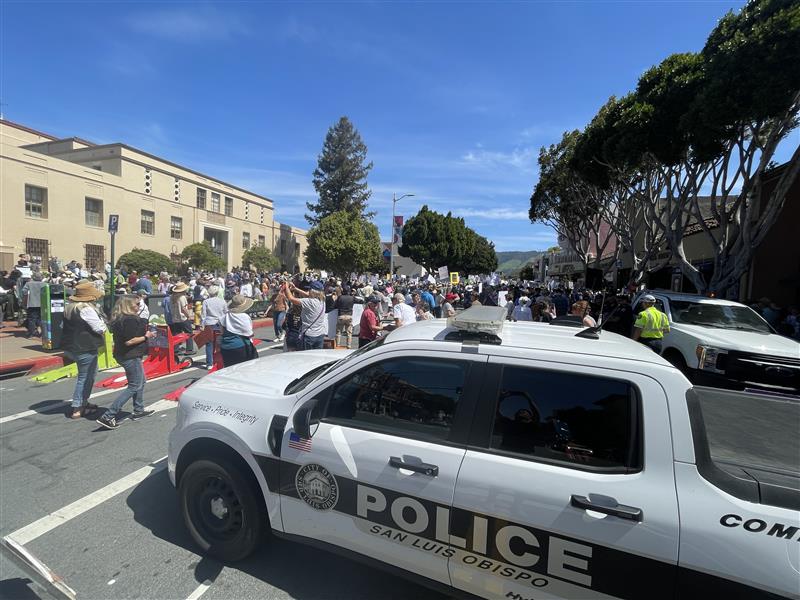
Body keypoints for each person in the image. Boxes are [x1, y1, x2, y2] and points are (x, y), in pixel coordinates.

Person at [96, 298, 156, 429]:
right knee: (134, 385)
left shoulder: (119, 318)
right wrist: (147, 336)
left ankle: (139, 410)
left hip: (123, 354)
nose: (139, 306)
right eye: (137, 304)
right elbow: (130, 341)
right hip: (130, 355)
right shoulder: (129, 319)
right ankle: (108, 415)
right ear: (129, 306)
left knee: (141, 381)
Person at [62, 282, 106, 419]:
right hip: (85, 346)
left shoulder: (69, 308)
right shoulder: (86, 309)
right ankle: (78, 406)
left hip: (71, 346)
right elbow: (99, 328)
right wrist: (105, 324)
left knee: (88, 375)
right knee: (86, 377)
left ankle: (83, 402)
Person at [284, 280, 326, 350]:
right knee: (318, 357)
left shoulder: (309, 302)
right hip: (320, 335)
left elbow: (291, 298)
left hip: (309, 335)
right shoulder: (322, 300)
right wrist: (295, 289)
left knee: (308, 357)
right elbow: (307, 295)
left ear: (312, 291)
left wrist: (286, 287)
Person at [219, 295, 257, 367]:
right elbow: (249, 333)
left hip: (226, 347)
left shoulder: (225, 316)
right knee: (245, 368)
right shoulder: (244, 317)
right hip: (241, 346)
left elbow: (222, 332)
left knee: (230, 369)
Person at [201, 285, 227, 369]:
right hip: (220, 323)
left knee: (209, 344)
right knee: (220, 343)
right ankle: (221, 360)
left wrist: (202, 324)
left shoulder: (206, 301)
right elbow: (226, 312)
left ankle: (209, 363)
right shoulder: (222, 301)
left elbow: (203, 315)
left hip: (209, 323)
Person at [168, 282, 195, 354]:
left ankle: (176, 349)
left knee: (177, 334)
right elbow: (183, 309)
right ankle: (189, 349)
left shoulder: (172, 297)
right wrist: (189, 316)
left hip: (175, 318)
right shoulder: (182, 297)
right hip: (182, 318)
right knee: (189, 333)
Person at [334, 285, 360, 349]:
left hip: (341, 316)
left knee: (339, 332)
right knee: (349, 332)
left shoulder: (340, 297)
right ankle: (349, 345)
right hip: (349, 316)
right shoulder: (352, 298)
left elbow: (335, 305)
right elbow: (360, 301)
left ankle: (338, 345)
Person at [22, 272, 45, 338]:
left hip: (32, 303)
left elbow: (24, 292)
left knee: (32, 319)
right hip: (42, 304)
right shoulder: (45, 284)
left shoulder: (28, 284)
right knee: (41, 319)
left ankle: (31, 333)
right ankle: (43, 332)